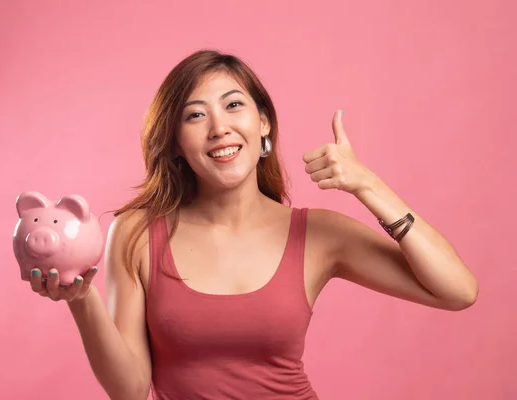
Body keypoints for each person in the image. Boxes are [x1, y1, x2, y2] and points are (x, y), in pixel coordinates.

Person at [27, 49, 479, 399]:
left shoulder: (318, 234)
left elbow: (457, 291)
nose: (219, 127)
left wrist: (368, 186)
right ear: (177, 145)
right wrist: (81, 300)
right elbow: (129, 391)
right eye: (196, 114)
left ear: (263, 123)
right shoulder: (137, 234)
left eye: (233, 105)